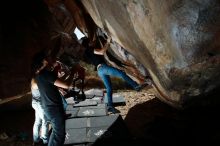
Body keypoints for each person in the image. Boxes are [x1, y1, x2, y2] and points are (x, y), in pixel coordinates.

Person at [80, 36, 146, 114]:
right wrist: (108, 42)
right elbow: (101, 52)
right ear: (87, 43)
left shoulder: (87, 52)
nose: (91, 42)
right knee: (121, 73)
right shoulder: (90, 49)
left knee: (109, 88)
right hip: (103, 68)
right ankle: (136, 86)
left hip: (99, 71)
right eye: (89, 41)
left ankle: (110, 106)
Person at [31, 51, 74, 146]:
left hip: (50, 107)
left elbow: (53, 84)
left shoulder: (40, 74)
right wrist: (73, 71)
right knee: (59, 135)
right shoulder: (46, 74)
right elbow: (66, 85)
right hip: (53, 108)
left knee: (56, 133)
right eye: (49, 57)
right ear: (44, 61)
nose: (51, 58)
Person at [31, 78, 49, 146]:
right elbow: (35, 85)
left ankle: (36, 140)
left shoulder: (38, 78)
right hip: (39, 104)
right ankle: (45, 141)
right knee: (45, 120)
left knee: (38, 122)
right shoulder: (34, 80)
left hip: (37, 103)